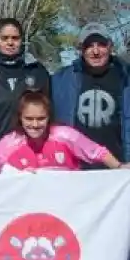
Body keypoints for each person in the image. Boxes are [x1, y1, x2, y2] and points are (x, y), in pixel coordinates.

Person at [51, 23, 130, 168]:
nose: (95, 51)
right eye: (89, 46)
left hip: (119, 166)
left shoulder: (125, 76)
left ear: (110, 46)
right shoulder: (60, 80)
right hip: (76, 168)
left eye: (101, 45)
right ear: (81, 49)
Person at [0, 90, 128, 172]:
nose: (35, 124)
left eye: (41, 118)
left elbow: (97, 152)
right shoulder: (9, 142)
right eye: (29, 119)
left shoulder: (66, 135)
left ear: (49, 117)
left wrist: (119, 167)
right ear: (20, 117)